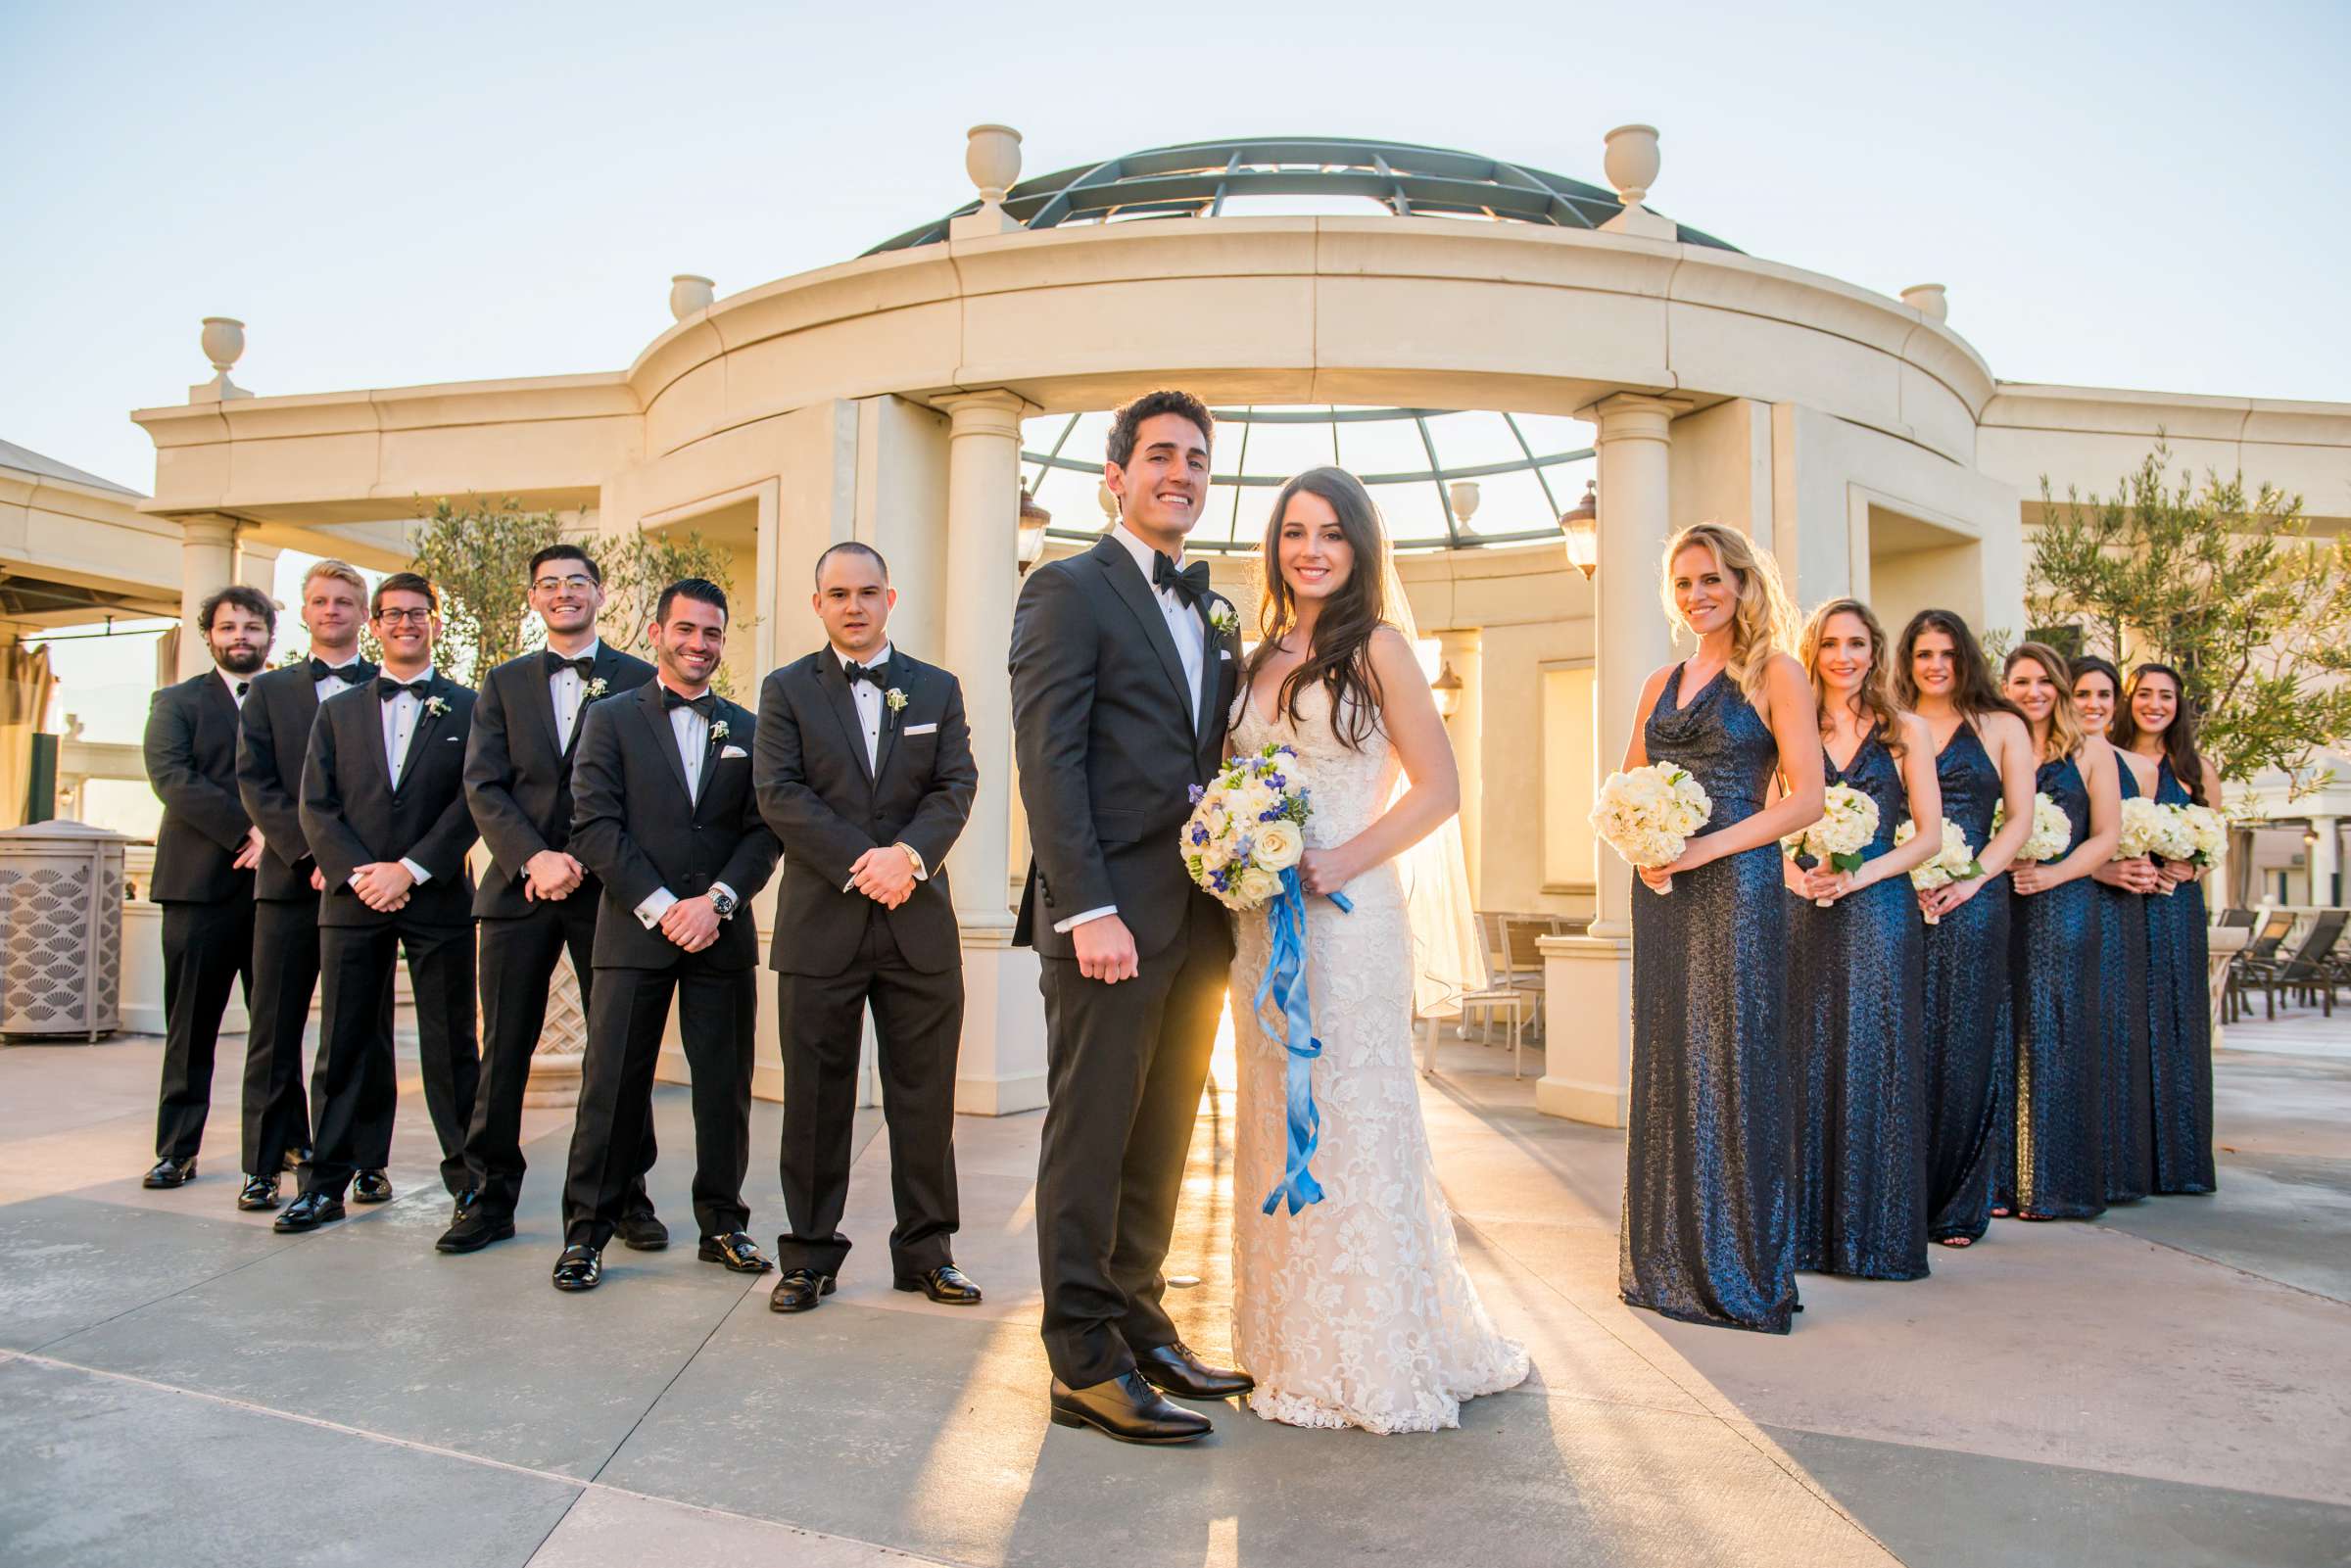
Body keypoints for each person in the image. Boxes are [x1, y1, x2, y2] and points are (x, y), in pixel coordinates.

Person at [1225, 466, 1528, 1432]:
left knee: (1354, 1110)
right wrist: (1236, 850)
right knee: (1275, 1107)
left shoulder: (1382, 647)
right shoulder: (1255, 656)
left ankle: (1369, 1343)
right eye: (1294, 531)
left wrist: (1339, 859)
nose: (1310, 548)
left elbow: (1437, 787)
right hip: (1258, 923)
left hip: (1350, 917)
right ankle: (1284, 1337)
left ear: (1359, 547)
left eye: (1331, 533)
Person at [1009, 389, 1250, 1445]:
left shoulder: (1212, 608)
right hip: (1107, 919)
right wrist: (1087, 906)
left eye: (1197, 459)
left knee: (1158, 1138)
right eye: (1160, 455)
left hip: (1195, 921)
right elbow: (1048, 757)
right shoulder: (1067, 589)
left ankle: (1142, 1321)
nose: (1181, 474)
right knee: (1092, 1133)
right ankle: (1082, 1356)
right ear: (1116, 475)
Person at [753, 542, 981, 1313]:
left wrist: (909, 858)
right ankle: (810, 1256)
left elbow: (957, 784)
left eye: (868, 591)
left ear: (892, 598)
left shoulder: (937, 689)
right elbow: (778, 794)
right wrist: (867, 861)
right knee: (816, 1102)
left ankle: (927, 1253)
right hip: (823, 925)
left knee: (926, 1096)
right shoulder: (785, 691)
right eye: (839, 592)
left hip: (918, 926)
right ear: (817, 604)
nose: (854, 604)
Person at [1618, 523, 1821, 1334]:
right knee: (1669, 1056)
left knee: (1734, 1060)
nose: (1696, 595)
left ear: (1741, 582)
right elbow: (1626, 784)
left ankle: (1742, 1273)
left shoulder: (1776, 671)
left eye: (1710, 579)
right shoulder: (1659, 681)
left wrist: (1705, 846)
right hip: (1664, 891)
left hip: (1738, 885)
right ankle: (1667, 1263)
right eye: (1682, 584)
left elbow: (1803, 798)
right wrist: (1642, 852)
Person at [552, 579, 780, 1292]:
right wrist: (660, 904)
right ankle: (586, 1233)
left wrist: (714, 902)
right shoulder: (611, 719)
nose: (699, 644)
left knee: (724, 1087)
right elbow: (594, 825)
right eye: (686, 629)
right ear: (656, 634)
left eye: (712, 633)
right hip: (633, 933)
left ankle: (723, 1224)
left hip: (721, 934)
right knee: (611, 1085)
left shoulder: (748, 727)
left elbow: (763, 829)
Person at [445, 544, 662, 1255]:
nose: (564, 592)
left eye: (577, 581)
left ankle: (625, 1193)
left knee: (619, 1049)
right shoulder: (502, 683)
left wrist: (582, 857)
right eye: (549, 584)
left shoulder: (639, 679)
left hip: (608, 890)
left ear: (600, 594)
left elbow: (642, 788)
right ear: (533, 599)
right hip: (518, 885)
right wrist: (534, 857)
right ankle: (487, 1195)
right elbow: (484, 784)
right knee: (502, 1047)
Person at [279, 573, 481, 1232]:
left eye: (417, 613)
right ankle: (325, 1182)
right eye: (392, 614)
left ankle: (471, 1182)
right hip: (354, 894)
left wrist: (413, 868)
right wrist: (360, 873)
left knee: (451, 1044)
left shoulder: (470, 707)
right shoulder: (336, 713)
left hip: (437, 892)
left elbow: (474, 801)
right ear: (376, 624)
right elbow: (317, 804)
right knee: (342, 1043)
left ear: (435, 621)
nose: (404, 623)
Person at [1782, 598, 1939, 1281]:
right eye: (1830, 644)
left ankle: (1875, 1236)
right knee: (1807, 1056)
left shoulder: (1907, 731)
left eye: (1857, 643)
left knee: (1877, 1056)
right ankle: (1808, 1234)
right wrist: (1796, 878)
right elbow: (1767, 819)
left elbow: (1928, 835)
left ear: (1875, 651)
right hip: (1806, 909)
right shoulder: (1787, 725)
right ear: (1812, 651)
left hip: (1880, 912)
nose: (1844, 656)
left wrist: (1862, 875)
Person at [234, 561, 380, 1211]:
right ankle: (264, 1164)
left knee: (363, 1029)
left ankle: (366, 1160)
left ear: (363, 612)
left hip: (366, 887)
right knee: (275, 1024)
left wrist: (351, 864)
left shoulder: (389, 686)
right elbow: (257, 783)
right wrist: (310, 853)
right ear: (304, 610)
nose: (332, 609)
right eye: (320, 600)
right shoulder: (268, 693)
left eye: (344, 600)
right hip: (292, 880)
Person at [1894, 609, 2033, 1248]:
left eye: (1947, 653)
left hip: (1975, 901)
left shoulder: (2002, 725)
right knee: (1904, 1045)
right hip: (1900, 898)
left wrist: (1972, 878)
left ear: (1965, 657)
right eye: (1924, 654)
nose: (1937, 665)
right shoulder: (1891, 724)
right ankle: (1897, 1196)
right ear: (1908, 660)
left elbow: (2018, 822)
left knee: (1966, 1048)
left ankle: (1956, 1206)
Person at [139, 585, 271, 1190]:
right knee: (190, 1024)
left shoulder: (288, 701)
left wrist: (276, 837)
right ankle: (176, 1148)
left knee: (275, 1024)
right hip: (198, 886)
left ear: (269, 634)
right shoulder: (175, 702)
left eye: (250, 626)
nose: (239, 636)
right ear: (209, 636)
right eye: (227, 627)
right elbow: (173, 778)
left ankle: (282, 1145)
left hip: (277, 886)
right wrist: (246, 830)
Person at [1999, 642, 2120, 1222]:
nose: (2034, 692)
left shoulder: (2090, 751)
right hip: (2002, 901)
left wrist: (2053, 873)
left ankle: (2054, 1185)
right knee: (2003, 1034)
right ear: (2005, 688)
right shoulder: (1996, 741)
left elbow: (2106, 837)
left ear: (2061, 689)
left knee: (2058, 1034)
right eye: (2022, 681)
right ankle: (1999, 1183)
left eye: (2045, 681)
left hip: (2066, 903)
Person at [2116, 662, 2223, 1196]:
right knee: (2129, 1022)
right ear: (2128, 699)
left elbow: (2213, 843)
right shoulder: (2111, 760)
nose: (2155, 704)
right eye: (2144, 694)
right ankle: (2131, 1158)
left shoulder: (2195, 767)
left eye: (2166, 696)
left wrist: (2192, 866)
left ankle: (2180, 1162)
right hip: (2123, 900)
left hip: (2176, 909)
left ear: (2179, 705)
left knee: (2178, 1022)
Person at [2073, 654, 2157, 1206]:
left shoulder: (2139, 767)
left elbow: (2138, 835)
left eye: (2104, 695)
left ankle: (2118, 1163)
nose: (2094, 705)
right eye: (2083, 694)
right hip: (2075, 895)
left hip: (2122, 905)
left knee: (2116, 1029)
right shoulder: (2050, 755)